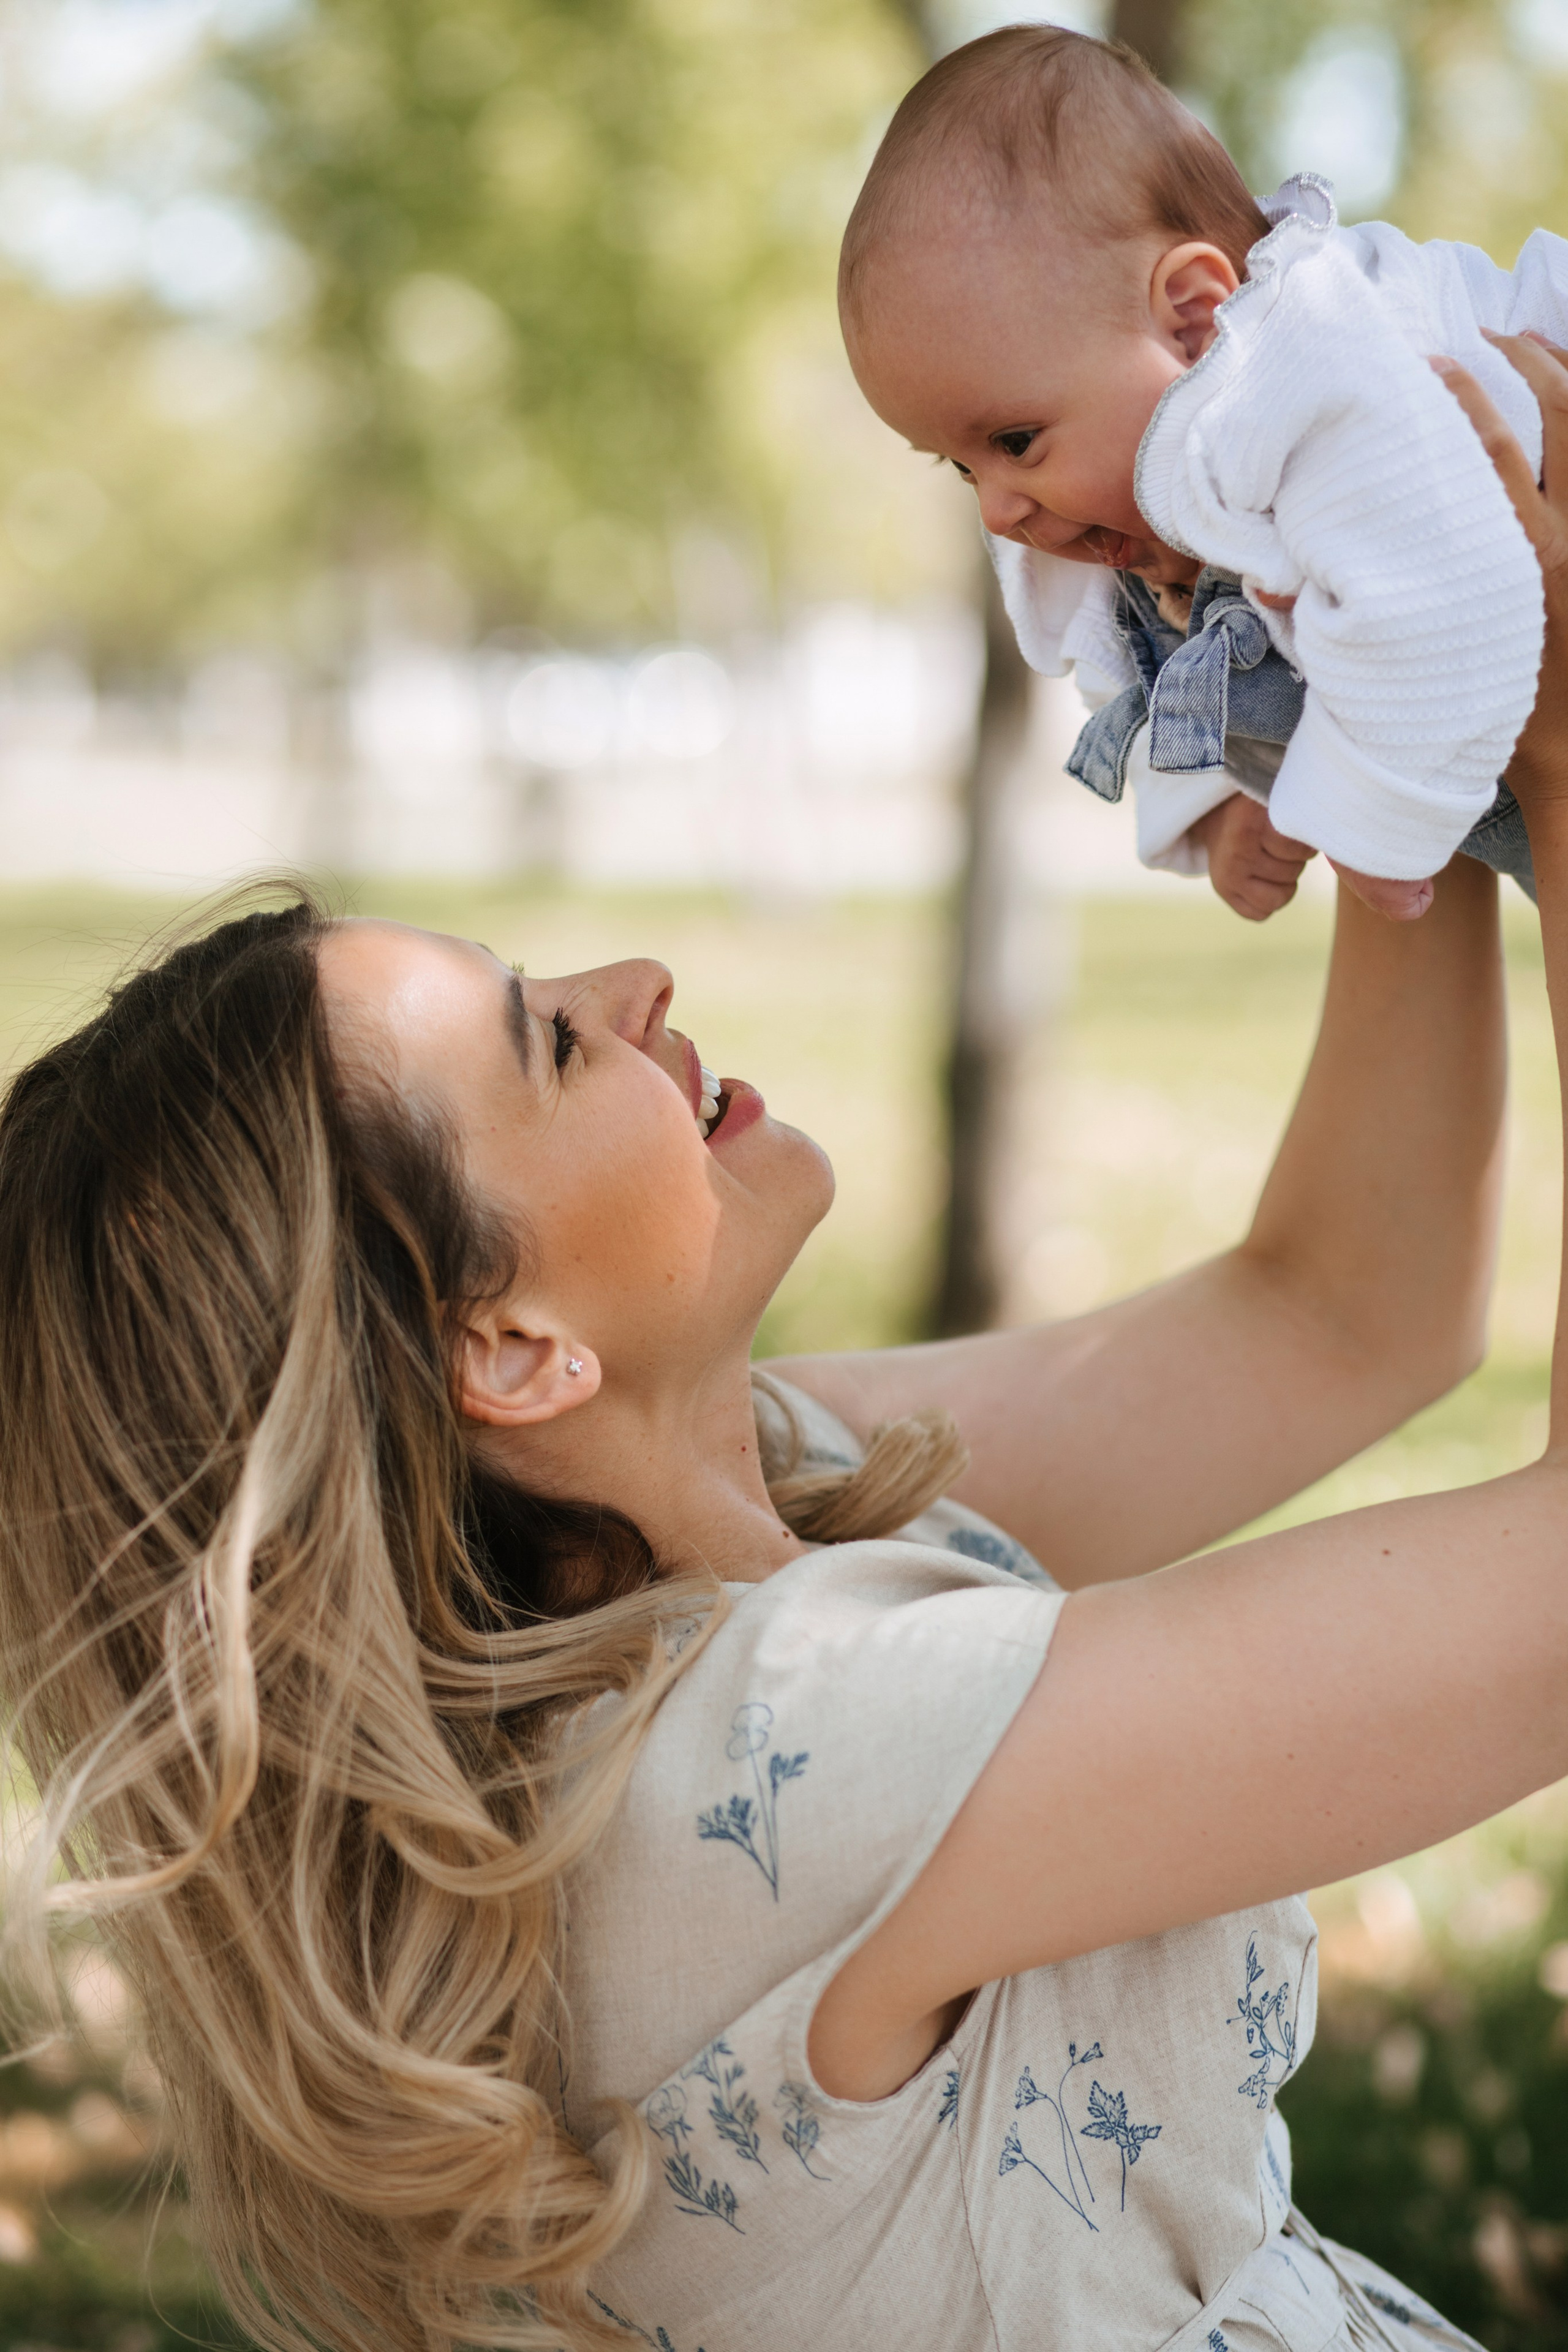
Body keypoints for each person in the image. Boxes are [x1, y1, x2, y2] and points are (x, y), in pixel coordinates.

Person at [0, 341, 1566, 2352]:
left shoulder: (697, 1532)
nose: (635, 980)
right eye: (545, 1038)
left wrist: (1396, 694)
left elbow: (1344, 1311)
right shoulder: (777, 1761)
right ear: (509, 1354)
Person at [836, 24, 1568, 922]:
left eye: (1016, 440)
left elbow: (1439, 595)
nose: (995, 511)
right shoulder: (1142, 494)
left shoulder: (1318, 370)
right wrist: (1218, 804)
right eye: (959, 466)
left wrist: (1375, 820)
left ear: (1193, 320)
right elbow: (1121, 664)